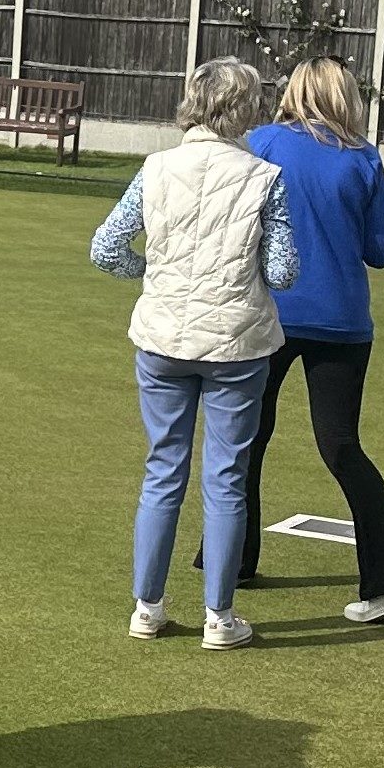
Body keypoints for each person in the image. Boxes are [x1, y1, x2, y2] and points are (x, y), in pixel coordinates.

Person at [91, 56, 300, 650]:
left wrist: (155, 274)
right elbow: (283, 272)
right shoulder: (265, 177)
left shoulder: (155, 169)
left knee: (163, 470)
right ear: (247, 110)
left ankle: (147, 607)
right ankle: (219, 616)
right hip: (238, 341)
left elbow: (106, 249)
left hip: (161, 337)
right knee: (227, 476)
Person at [217, 58, 384, 623]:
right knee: (341, 446)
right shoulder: (364, 158)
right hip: (343, 320)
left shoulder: (259, 143)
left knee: (246, 436)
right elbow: (382, 249)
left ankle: (231, 560)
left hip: (268, 314)